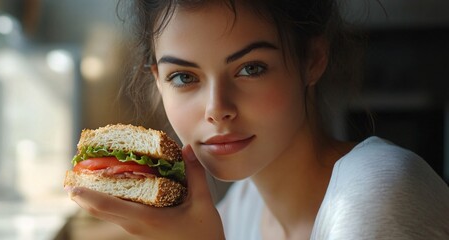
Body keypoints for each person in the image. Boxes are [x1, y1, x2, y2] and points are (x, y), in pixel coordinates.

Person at [66, 0, 449, 239]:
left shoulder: (375, 194)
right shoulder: (244, 206)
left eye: (251, 68)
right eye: (184, 77)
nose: (216, 108)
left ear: (312, 59)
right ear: (158, 82)